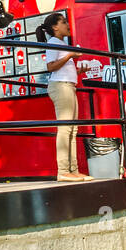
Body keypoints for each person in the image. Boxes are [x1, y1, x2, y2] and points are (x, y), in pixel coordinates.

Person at [40, 12, 91, 182]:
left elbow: (61, 69)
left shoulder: (60, 43)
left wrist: (78, 71)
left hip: (68, 86)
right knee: (65, 129)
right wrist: (70, 55)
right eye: (63, 22)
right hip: (61, 87)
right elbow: (50, 67)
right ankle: (63, 171)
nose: (67, 24)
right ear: (55, 27)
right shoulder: (53, 43)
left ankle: (73, 170)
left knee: (73, 129)